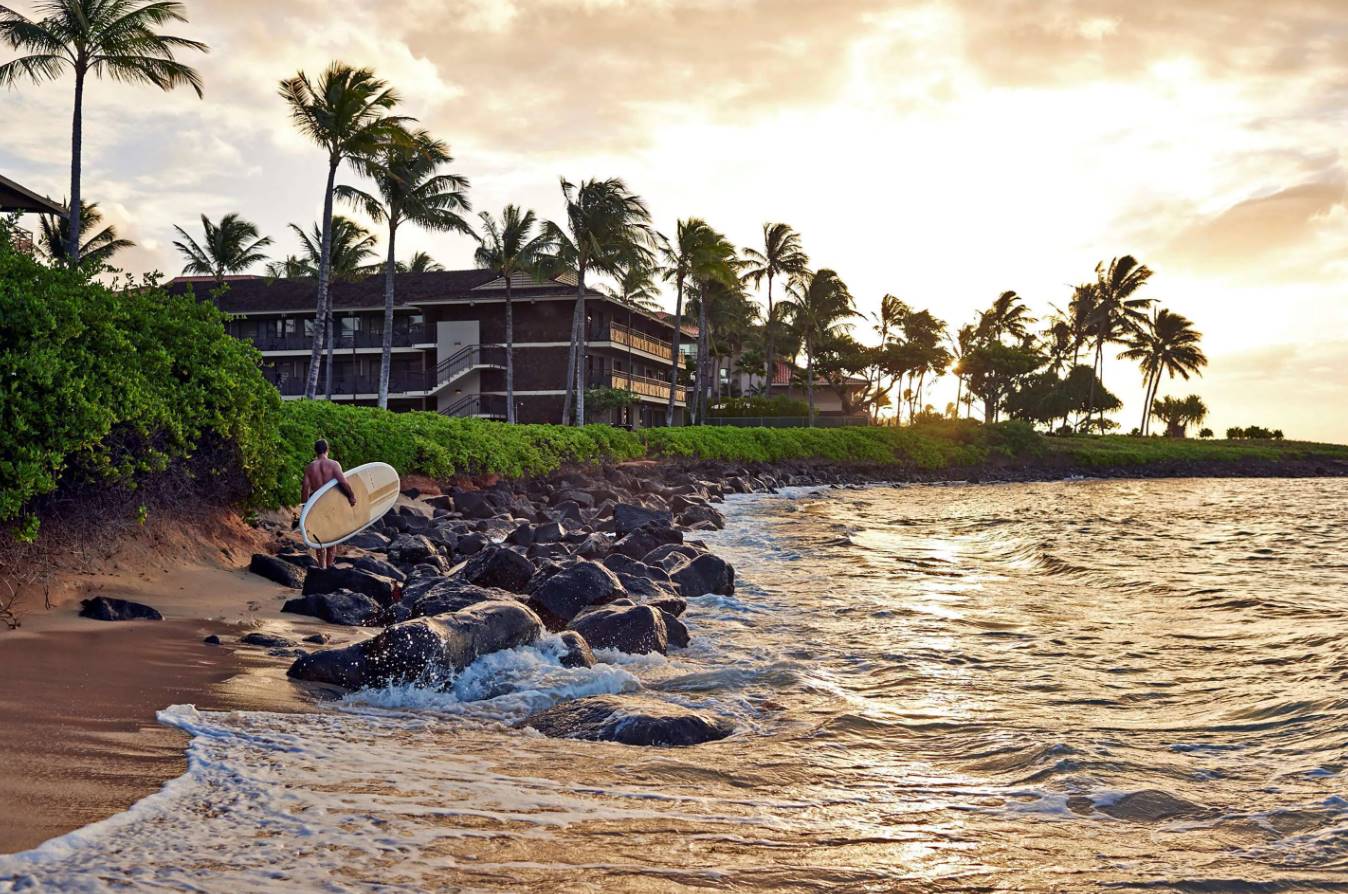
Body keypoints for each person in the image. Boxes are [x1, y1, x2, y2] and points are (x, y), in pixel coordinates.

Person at [301, 438, 357, 569]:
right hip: (331, 505)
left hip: (317, 505)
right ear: (327, 449)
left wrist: (304, 507)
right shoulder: (334, 465)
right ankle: (330, 565)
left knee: (320, 537)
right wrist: (351, 496)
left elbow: (305, 488)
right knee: (332, 536)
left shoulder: (310, 468)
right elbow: (343, 482)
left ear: (315, 451)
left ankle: (321, 567)